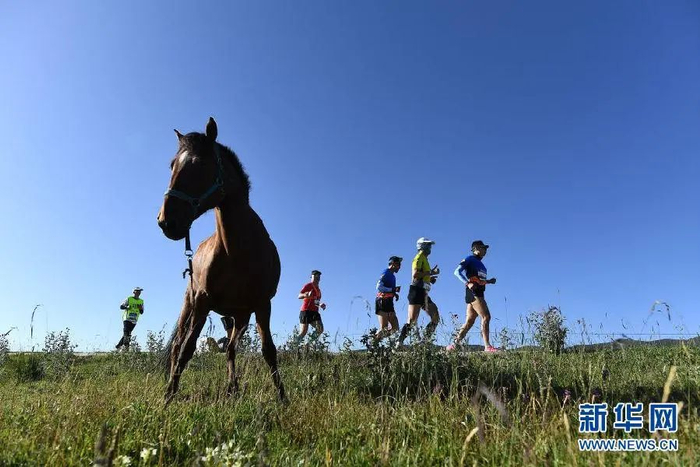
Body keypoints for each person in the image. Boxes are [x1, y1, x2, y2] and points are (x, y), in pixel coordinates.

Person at [447, 240, 499, 352]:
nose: (485, 250)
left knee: (469, 321)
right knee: (486, 317)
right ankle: (487, 346)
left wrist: (489, 281)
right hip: (474, 293)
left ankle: (454, 345)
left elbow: (479, 281)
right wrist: (467, 283)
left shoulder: (482, 265)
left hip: (479, 293)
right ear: (475, 249)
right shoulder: (469, 259)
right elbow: (457, 272)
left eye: (485, 248)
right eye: (483, 248)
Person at [398, 238, 440, 345]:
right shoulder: (419, 257)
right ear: (422, 246)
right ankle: (399, 343)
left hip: (423, 292)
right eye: (428, 245)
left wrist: (430, 279)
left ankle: (424, 341)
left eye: (430, 246)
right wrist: (431, 272)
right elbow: (415, 275)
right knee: (412, 321)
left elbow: (422, 275)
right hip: (416, 291)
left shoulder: (424, 259)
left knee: (435, 317)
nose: (430, 248)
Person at [374, 256, 402, 342]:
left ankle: (375, 340)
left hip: (389, 302)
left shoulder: (393, 276)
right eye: (398, 264)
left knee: (395, 328)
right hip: (382, 301)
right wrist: (393, 290)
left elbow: (389, 289)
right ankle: (373, 343)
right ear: (393, 264)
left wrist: (394, 294)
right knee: (384, 328)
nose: (399, 267)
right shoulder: (386, 273)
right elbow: (379, 287)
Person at [297, 270, 326, 341]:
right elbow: (299, 296)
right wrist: (306, 295)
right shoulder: (308, 285)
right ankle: (293, 344)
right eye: (315, 276)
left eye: (318, 277)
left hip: (314, 312)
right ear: (311, 277)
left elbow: (315, 301)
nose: (317, 278)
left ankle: (308, 343)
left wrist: (320, 304)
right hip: (306, 311)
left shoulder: (319, 291)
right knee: (303, 332)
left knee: (320, 329)